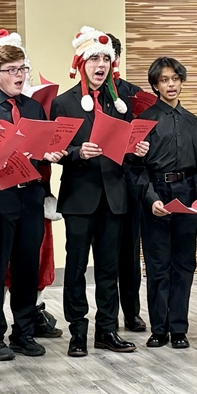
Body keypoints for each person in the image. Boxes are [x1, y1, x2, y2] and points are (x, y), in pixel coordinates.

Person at [50, 27, 145, 357]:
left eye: (106, 58)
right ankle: (77, 331)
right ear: (81, 62)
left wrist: (138, 148)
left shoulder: (121, 104)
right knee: (75, 268)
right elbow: (56, 150)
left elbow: (128, 150)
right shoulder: (63, 103)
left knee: (109, 268)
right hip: (80, 195)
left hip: (115, 196)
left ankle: (107, 329)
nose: (100, 64)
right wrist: (78, 153)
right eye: (94, 58)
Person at [0, 44, 59, 361]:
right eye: (12, 71)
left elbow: (44, 146)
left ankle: (24, 332)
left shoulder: (33, 108)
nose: (19, 76)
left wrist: (48, 153)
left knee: (26, 266)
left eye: (23, 69)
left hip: (30, 193)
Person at [132, 56, 197, 350]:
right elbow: (136, 168)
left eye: (175, 79)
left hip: (187, 195)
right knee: (157, 265)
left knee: (184, 264)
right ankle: (158, 328)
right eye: (164, 80)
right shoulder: (145, 121)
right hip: (156, 194)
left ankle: (179, 328)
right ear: (155, 85)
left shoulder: (193, 122)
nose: (171, 84)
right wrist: (150, 198)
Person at [109, 32, 147, 333]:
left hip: (128, 180)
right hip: (93, 183)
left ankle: (132, 312)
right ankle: (101, 320)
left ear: (116, 60)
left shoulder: (134, 96)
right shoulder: (78, 98)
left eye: (108, 56)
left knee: (129, 253)